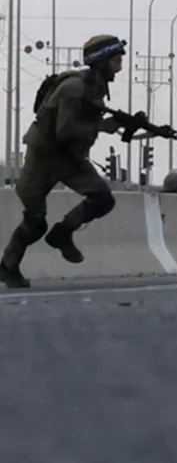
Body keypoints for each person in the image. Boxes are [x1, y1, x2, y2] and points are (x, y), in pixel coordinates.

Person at [1, 36, 131, 289]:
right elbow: (65, 131)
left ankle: (62, 233)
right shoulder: (75, 88)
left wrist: (117, 125)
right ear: (101, 61)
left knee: (103, 199)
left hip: (68, 157)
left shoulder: (94, 86)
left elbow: (83, 122)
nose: (119, 67)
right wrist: (101, 126)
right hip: (45, 157)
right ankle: (8, 266)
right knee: (35, 223)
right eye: (115, 61)